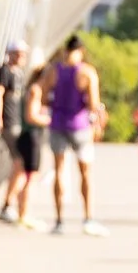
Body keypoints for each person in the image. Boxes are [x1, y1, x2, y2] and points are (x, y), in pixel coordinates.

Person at [45, 33, 107, 234]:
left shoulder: (54, 71)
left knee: (59, 171)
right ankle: (88, 219)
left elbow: (45, 97)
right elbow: (94, 105)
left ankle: (59, 221)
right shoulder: (87, 73)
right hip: (80, 126)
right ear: (81, 51)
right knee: (85, 173)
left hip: (57, 124)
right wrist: (98, 125)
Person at [0, 44, 40, 227]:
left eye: (23, 54)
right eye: (17, 54)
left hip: (18, 123)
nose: (20, 57)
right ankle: (7, 205)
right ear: (9, 54)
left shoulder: (19, 74)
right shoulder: (4, 71)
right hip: (9, 123)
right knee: (20, 163)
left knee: (21, 165)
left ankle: (10, 204)